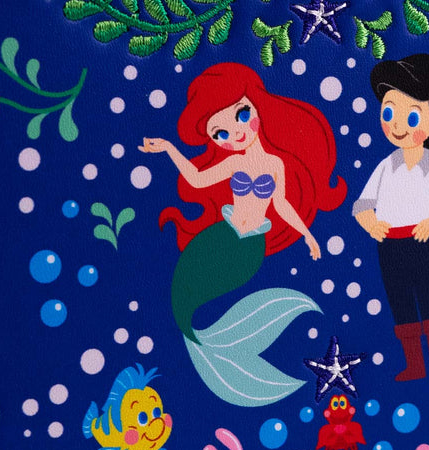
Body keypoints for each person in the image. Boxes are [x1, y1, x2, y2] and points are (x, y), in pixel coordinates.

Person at [141, 62, 346, 406]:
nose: (236, 133)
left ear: (257, 106)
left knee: (214, 304)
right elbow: (197, 180)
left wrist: (308, 235)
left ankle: (227, 347)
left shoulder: (275, 164)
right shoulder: (235, 163)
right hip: (223, 235)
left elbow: (281, 205)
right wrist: (169, 149)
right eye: (220, 133)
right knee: (184, 294)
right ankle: (205, 348)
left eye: (241, 114)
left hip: (250, 247)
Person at [352, 53, 429, 381]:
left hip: (421, 241)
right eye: (389, 111)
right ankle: (414, 366)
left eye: (411, 116)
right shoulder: (386, 166)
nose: (395, 124)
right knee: (401, 302)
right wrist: (371, 224)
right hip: (389, 245)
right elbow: (361, 205)